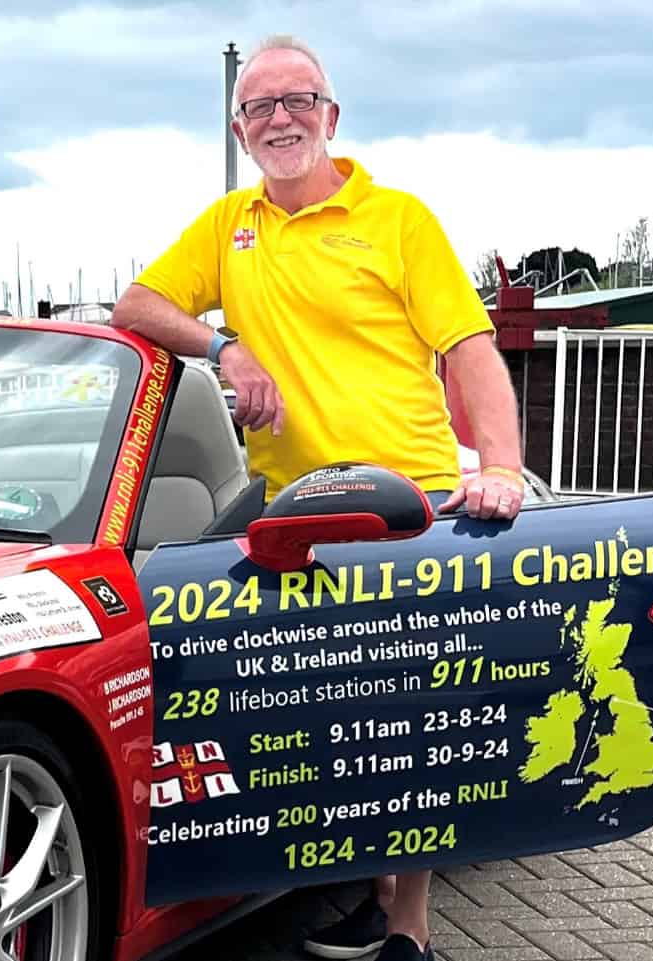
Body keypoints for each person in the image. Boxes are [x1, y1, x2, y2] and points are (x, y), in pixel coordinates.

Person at [110, 34, 525, 961]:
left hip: (400, 500)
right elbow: (134, 305)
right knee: (320, 705)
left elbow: (469, 350)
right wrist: (225, 346)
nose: (281, 118)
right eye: (261, 107)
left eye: (298, 100)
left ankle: (406, 929)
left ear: (332, 116)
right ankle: (364, 888)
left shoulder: (399, 219)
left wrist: (497, 465)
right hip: (292, 508)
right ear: (240, 128)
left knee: (400, 710)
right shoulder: (231, 225)